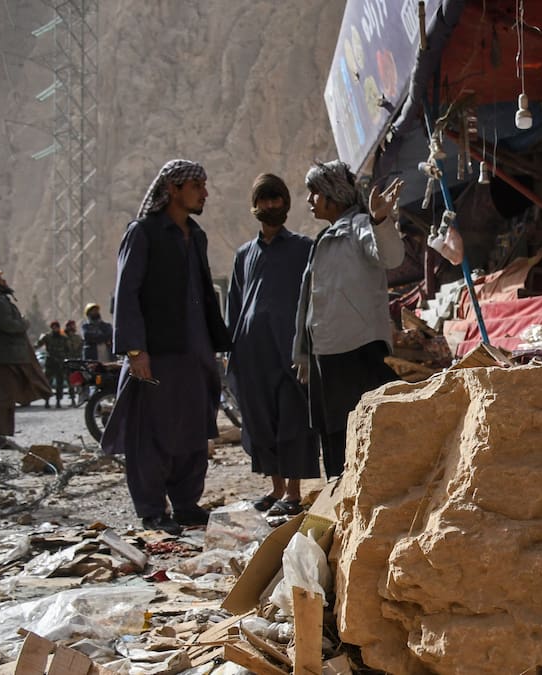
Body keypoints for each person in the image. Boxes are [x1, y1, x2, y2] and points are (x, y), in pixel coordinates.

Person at [103, 159, 232, 535]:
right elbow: (126, 293)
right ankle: (151, 509)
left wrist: (216, 345)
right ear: (174, 189)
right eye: (197, 186)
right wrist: (134, 351)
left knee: (192, 431)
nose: (204, 193)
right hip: (156, 353)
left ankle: (187, 505)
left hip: (196, 351)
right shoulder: (143, 233)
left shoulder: (198, 236)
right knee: (152, 435)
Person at [294, 161, 404, 478]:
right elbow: (309, 302)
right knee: (335, 441)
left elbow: (391, 257)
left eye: (314, 193)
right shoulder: (323, 240)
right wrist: (302, 353)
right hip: (326, 356)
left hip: (360, 353)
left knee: (368, 438)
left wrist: (381, 219)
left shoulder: (360, 227)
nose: (309, 200)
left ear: (332, 195)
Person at [227, 173, 320, 516]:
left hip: (290, 351)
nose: (270, 205)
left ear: (285, 203)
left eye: (275, 199)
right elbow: (235, 305)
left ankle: (293, 494)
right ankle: (276, 490)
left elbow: (314, 299)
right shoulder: (244, 255)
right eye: (264, 200)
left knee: (292, 420)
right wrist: (231, 349)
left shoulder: (304, 248)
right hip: (253, 354)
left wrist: (310, 349)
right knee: (261, 420)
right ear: (255, 206)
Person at [0, 268, 52, 442]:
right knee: (5, 397)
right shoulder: (0, 302)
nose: (3, 281)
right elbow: (8, 325)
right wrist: (23, 323)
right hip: (6, 358)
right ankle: (0, 439)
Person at [35, 320, 72, 408]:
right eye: (54, 327)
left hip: (60, 362)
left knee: (59, 383)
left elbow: (68, 349)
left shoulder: (64, 338)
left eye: (57, 327)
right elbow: (38, 344)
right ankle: (47, 401)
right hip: (50, 362)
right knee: (48, 383)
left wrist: (66, 359)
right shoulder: (47, 337)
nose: (55, 329)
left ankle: (58, 401)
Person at [63, 320, 84, 405]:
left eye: (73, 326)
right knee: (70, 382)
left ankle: (79, 399)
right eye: (70, 326)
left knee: (78, 381)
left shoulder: (78, 338)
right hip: (68, 362)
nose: (72, 327)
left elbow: (81, 348)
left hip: (77, 362)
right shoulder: (63, 338)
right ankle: (72, 400)